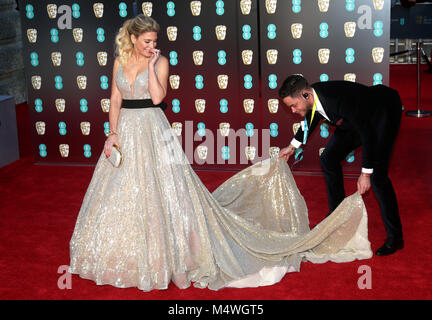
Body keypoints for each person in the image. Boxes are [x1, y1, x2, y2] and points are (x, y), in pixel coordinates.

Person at [69, 15, 372, 292]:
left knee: (162, 189)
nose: (152, 46)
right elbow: (114, 98)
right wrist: (112, 133)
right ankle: (126, 254)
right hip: (125, 129)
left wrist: (150, 67)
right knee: (123, 191)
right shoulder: (119, 61)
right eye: (146, 41)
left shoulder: (159, 62)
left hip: (151, 126)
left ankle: (167, 252)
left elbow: (159, 96)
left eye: (154, 42)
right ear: (133, 38)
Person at [278, 74, 404, 256]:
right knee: (328, 159)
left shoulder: (335, 99)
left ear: (305, 95)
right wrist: (291, 147)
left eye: (293, 105)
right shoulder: (312, 98)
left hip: (382, 112)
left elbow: (368, 133)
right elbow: (310, 119)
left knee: (378, 177)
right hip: (356, 117)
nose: (292, 110)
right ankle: (338, 218)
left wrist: (366, 173)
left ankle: (396, 238)